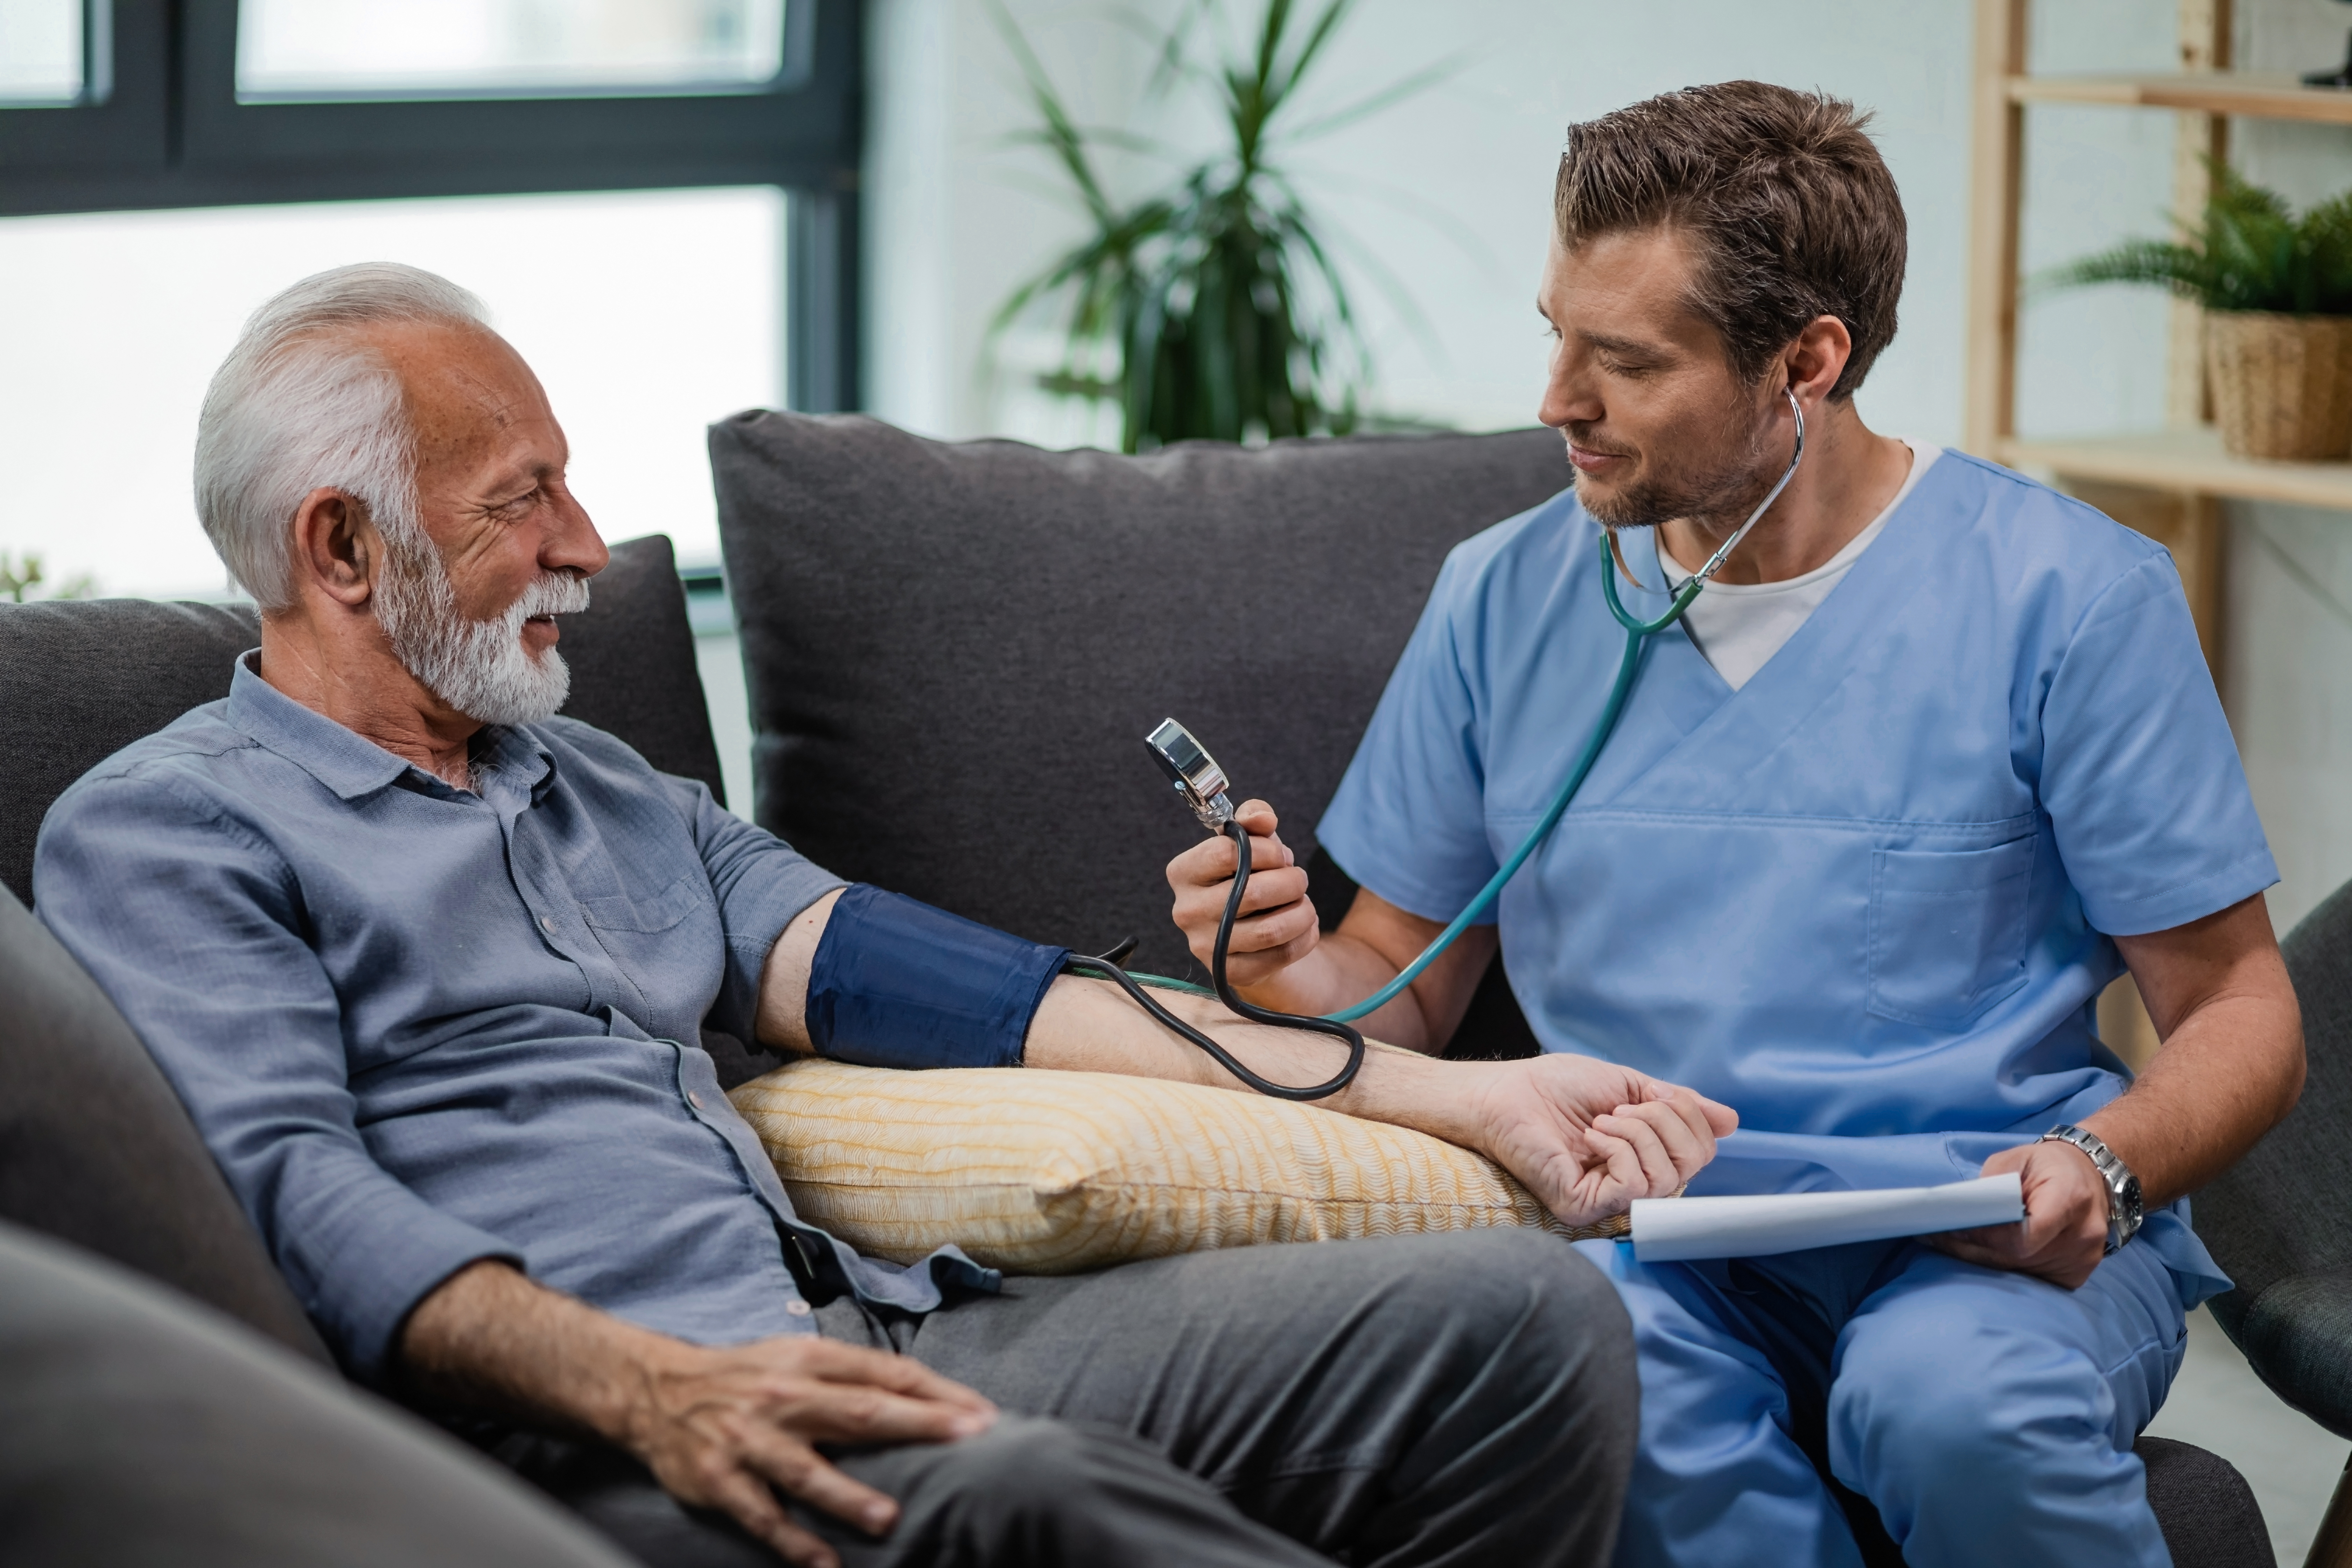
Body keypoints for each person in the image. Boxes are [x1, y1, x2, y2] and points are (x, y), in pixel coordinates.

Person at [32, 262, 1737, 1568]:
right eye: (520, 501)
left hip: (874, 1327)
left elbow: (1000, 1000)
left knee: (1519, 1322)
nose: (588, 547)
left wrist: (1469, 1094)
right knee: (1028, 1500)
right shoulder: (170, 830)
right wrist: (645, 1386)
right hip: (583, 1437)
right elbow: (281, 1188)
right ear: (341, 548)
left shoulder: (611, 792)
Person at [1164, 81, 2305, 1568]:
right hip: (1650, 1241)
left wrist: (2108, 1161)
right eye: (1556, 330)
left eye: (1623, 360)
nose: (1555, 397)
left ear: (1806, 363)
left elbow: (2238, 1003)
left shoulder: (2068, 597)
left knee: (1953, 1410)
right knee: (1612, 1408)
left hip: (1987, 1240)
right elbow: (1397, 977)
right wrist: (1270, 966)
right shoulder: (1502, 596)